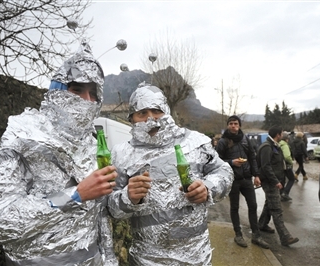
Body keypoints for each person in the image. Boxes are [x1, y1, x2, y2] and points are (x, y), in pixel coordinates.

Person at [0, 40, 119, 265]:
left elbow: (99, 213)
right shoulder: (21, 137)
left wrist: (109, 259)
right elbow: (0, 222)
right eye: (76, 89)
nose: (86, 100)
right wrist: (75, 195)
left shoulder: (93, 144)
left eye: (93, 93)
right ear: (57, 90)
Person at [107, 83, 234, 265]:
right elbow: (110, 207)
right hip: (147, 260)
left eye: (156, 111)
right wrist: (127, 198)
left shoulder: (195, 142)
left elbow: (224, 171)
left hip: (197, 257)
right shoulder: (121, 154)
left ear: (166, 111)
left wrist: (208, 188)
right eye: (142, 113)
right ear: (132, 119)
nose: (151, 119)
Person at [216, 116, 269, 249]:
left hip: (247, 179)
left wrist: (256, 175)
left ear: (239, 125)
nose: (233, 126)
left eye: (236, 123)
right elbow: (216, 161)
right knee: (234, 207)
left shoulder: (245, 139)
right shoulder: (223, 142)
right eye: (231, 124)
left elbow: (252, 156)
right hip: (232, 180)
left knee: (253, 206)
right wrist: (232, 162)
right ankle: (238, 234)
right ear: (228, 125)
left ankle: (256, 236)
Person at [257, 125, 299, 247]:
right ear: (278, 135)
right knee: (276, 209)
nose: (283, 135)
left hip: (274, 181)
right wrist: (276, 181)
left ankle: (262, 225)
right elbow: (266, 166)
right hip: (270, 182)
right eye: (282, 133)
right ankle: (285, 237)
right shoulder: (267, 147)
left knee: (269, 204)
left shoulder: (274, 145)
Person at [279, 132, 295, 201]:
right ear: (286, 139)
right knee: (292, 179)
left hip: (280, 165)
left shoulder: (279, 144)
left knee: (283, 179)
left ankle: (281, 193)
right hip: (286, 165)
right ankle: (285, 193)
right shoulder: (285, 145)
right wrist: (291, 162)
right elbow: (287, 156)